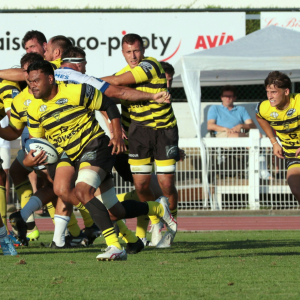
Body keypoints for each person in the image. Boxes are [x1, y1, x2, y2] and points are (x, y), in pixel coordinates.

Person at [10, 60, 176, 260]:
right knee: (114, 210)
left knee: (82, 191)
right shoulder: (34, 109)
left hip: (95, 147)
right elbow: (40, 144)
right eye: (29, 82)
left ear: (50, 78)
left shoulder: (76, 91)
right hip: (69, 155)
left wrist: (115, 134)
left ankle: (114, 246)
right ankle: (156, 208)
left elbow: (108, 104)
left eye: (36, 81)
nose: (32, 86)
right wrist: (29, 162)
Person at [101, 34, 179, 248]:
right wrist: (113, 125)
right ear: (123, 53)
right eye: (128, 52)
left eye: (136, 51)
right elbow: (101, 99)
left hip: (164, 131)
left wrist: (86, 80)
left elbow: (114, 83)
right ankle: (156, 223)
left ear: (143, 51)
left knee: (166, 184)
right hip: (138, 135)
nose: (133, 56)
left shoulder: (151, 65)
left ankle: (170, 228)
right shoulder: (121, 74)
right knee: (142, 186)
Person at [207, 85, 271, 180]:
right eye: (226, 96)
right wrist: (225, 129)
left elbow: (252, 125)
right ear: (221, 97)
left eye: (231, 96)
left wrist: (241, 125)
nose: (228, 98)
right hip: (222, 134)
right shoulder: (214, 108)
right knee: (254, 142)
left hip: (240, 134)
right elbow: (210, 126)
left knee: (259, 135)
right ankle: (258, 170)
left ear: (235, 97)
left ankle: (260, 169)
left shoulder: (241, 109)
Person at [256, 71, 300, 201]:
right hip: (293, 154)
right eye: (268, 92)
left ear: (286, 92)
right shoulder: (264, 108)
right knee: (296, 188)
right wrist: (274, 142)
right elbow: (259, 117)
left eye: (274, 92)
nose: (270, 96)